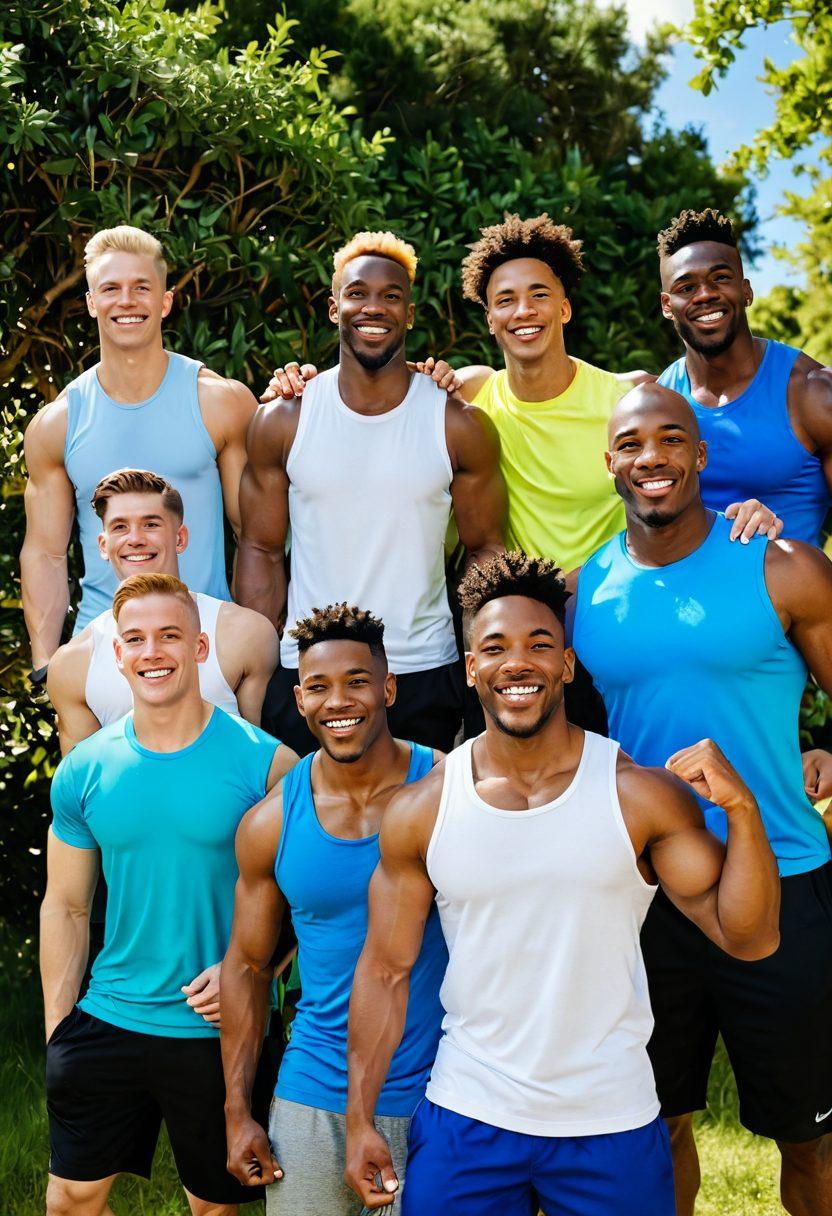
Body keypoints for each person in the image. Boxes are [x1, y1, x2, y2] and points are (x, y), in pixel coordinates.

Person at [343, 552, 780, 1216]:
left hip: (609, 1119)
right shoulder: (423, 809)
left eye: (539, 644)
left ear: (567, 666)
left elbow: (748, 937)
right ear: (470, 670)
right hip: (469, 1114)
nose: (517, 662)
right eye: (495, 647)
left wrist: (744, 812)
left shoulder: (640, 797)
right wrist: (358, 1119)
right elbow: (383, 970)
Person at [572, 382, 832, 1216]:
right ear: (609, 462)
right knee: (657, 1120)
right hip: (648, 896)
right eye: (633, 445)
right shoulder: (585, 595)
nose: (652, 458)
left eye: (672, 439)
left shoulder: (783, 565)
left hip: (787, 878)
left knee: (811, 1136)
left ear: (701, 455)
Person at [263, 214, 781, 568]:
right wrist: (299, 383)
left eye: (539, 295)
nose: (524, 311)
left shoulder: (627, 400)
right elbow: (372, 398)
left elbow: (682, 485)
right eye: (505, 300)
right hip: (522, 635)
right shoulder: (465, 395)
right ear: (489, 320)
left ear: (564, 308)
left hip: (615, 620)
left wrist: (747, 512)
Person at [40, 572, 297, 1216]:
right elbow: (66, 905)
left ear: (201, 649)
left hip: (220, 1027)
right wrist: (58, 1033)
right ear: (118, 656)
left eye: (170, 636)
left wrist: (255, 968)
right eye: (136, 639)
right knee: (71, 1197)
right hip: (110, 1014)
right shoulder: (85, 769)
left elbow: (308, 903)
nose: (153, 651)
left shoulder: (268, 765)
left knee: (212, 1207)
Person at [237, 230, 505, 756]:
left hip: (424, 669)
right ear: (334, 305)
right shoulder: (284, 419)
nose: (373, 307)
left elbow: (485, 550)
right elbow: (260, 549)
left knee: (418, 833)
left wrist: (482, 658)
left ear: (409, 313)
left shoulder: (457, 424)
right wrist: (263, 668)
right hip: (309, 671)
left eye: (391, 296)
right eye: (358, 293)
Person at [220, 603, 447, 1215]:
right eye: (318, 686)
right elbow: (245, 967)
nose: (337, 701)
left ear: (389, 689)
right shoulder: (272, 822)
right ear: (298, 701)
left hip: (445, 1087)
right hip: (314, 1088)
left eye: (357, 681)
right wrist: (238, 1111)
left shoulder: (449, 790)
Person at [21, 224, 260, 683]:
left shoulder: (220, 403)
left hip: (203, 648)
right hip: (102, 650)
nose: (126, 301)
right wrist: (46, 665)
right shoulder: (58, 424)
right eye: (110, 289)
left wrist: (250, 646)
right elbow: (45, 553)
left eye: (141, 288)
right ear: (92, 303)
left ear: (165, 301)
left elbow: (253, 538)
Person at [46, 467, 278, 754]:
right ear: (103, 546)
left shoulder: (245, 633)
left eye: (151, 524)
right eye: (120, 527)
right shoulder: (73, 664)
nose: (135, 539)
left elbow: (267, 765)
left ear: (180, 538)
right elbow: (84, 783)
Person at [657, 207, 832, 545]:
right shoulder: (663, 401)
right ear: (667, 305)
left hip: (787, 594)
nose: (705, 294)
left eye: (720, 278)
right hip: (686, 596)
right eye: (687, 286)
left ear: (746, 291)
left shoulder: (813, 393)